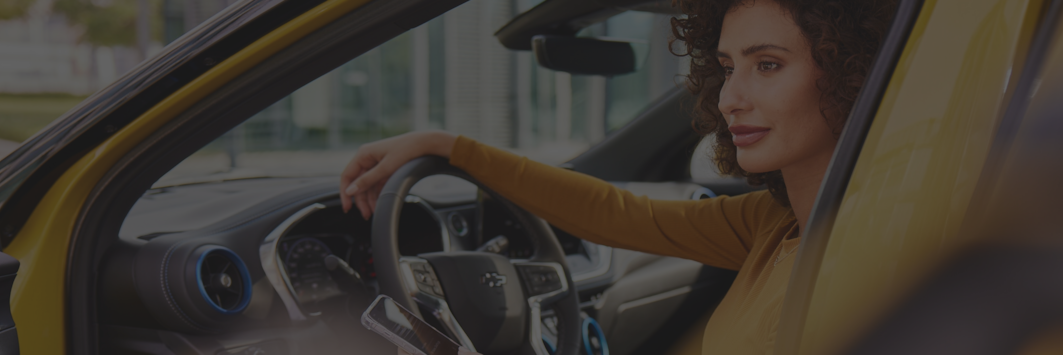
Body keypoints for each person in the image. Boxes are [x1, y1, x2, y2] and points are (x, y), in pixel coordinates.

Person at [341, 0, 896, 353]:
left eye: (768, 65)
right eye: (727, 69)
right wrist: (451, 148)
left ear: (853, 73)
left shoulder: (887, 247)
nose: (730, 99)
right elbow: (617, 213)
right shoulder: (775, 223)